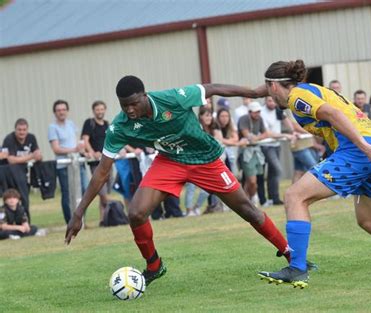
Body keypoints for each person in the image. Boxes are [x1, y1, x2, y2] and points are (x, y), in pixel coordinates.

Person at [65, 76, 301, 286]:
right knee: (136, 213)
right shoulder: (119, 126)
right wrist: (79, 212)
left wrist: (254, 93)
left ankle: (294, 258)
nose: (130, 110)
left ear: (145, 96)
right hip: (169, 161)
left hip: (205, 160)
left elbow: (213, 87)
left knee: (248, 210)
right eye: (124, 105)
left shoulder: (173, 98)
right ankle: (154, 265)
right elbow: (102, 171)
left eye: (134, 103)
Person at [258, 60, 371, 288]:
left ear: (273, 86)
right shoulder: (315, 89)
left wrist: (362, 147)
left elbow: (332, 114)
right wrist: (370, 163)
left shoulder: (295, 97)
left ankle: (297, 268)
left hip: (360, 150)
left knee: (294, 196)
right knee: (370, 220)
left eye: (267, 91)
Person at [48, 100, 85, 224]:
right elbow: (56, 149)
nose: (61, 112)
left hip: (76, 161)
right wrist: (73, 149)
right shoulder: (52, 127)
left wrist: (80, 149)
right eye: (58, 110)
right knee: (68, 194)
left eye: (63, 110)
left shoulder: (71, 124)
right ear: (55, 112)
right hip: (64, 164)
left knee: (83, 190)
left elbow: (76, 141)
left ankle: (80, 219)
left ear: (67, 111)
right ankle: (70, 221)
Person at [2, 118, 42, 220]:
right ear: (15, 130)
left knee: (24, 199)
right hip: (9, 175)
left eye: (24, 130)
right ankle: (8, 222)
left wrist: (36, 155)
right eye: (19, 130)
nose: (22, 132)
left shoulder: (31, 138)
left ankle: (25, 222)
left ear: (27, 130)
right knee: (9, 199)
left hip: (23, 174)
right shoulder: (9, 139)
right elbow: (10, 160)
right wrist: (31, 156)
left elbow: (38, 155)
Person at [260, 96, 295, 206]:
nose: (272, 103)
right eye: (269, 100)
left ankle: (274, 198)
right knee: (276, 169)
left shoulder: (278, 110)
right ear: (265, 101)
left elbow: (288, 123)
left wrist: (293, 132)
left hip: (275, 145)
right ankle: (263, 199)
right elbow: (268, 133)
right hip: (264, 145)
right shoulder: (261, 112)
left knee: (273, 173)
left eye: (273, 101)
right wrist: (286, 135)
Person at [81, 100, 110, 226]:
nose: (100, 112)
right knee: (102, 192)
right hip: (95, 163)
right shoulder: (89, 123)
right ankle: (112, 211)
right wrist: (93, 153)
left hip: (108, 161)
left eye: (102, 109)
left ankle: (103, 220)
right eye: (97, 109)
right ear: (94, 111)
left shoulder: (107, 124)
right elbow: (85, 140)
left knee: (106, 191)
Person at [237, 101, 269, 206]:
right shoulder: (244, 119)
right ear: (250, 112)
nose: (258, 114)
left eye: (259, 111)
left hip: (256, 151)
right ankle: (254, 199)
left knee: (251, 180)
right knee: (251, 180)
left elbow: (265, 133)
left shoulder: (260, 119)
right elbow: (246, 134)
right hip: (245, 152)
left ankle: (245, 201)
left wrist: (256, 138)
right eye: (255, 112)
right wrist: (254, 138)